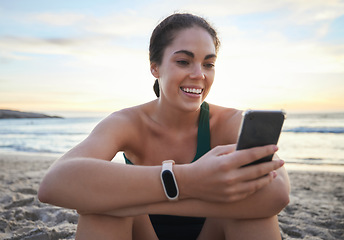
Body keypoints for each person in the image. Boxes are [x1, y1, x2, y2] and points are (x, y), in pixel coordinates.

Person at [38, 13, 290, 240]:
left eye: (208, 64)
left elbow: (277, 194)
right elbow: (54, 184)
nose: (199, 74)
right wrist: (189, 180)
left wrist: (135, 200)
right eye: (183, 61)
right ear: (155, 67)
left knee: (255, 216)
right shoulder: (128, 122)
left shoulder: (229, 122)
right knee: (103, 212)